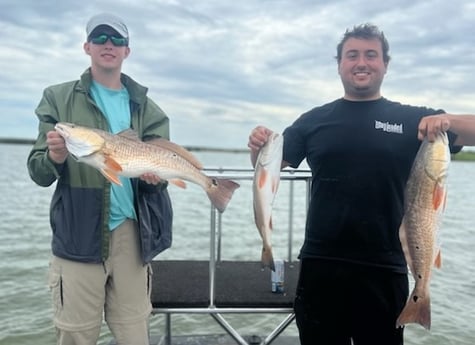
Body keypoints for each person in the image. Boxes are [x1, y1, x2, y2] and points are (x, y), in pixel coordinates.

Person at [248, 23, 475, 345]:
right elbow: (267, 174)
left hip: (387, 266)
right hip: (321, 263)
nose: (361, 62)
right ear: (339, 63)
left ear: (385, 64)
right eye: (352, 55)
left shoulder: (413, 121)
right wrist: (257, 149)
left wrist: (448, 121)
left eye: (371, 55)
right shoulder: (313, 121)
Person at [27, 13, 173, 345]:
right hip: (78, 234)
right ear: (87, 46)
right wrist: (55, 157)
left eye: (117, 40)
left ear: (127, 51)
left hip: (133, 237)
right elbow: (38, 172)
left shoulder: (148, 108)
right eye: (101, 38)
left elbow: (161, 177)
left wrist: (157, 179)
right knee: (76, 336)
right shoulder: (57, 98)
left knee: (135, 334)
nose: (109, 45)